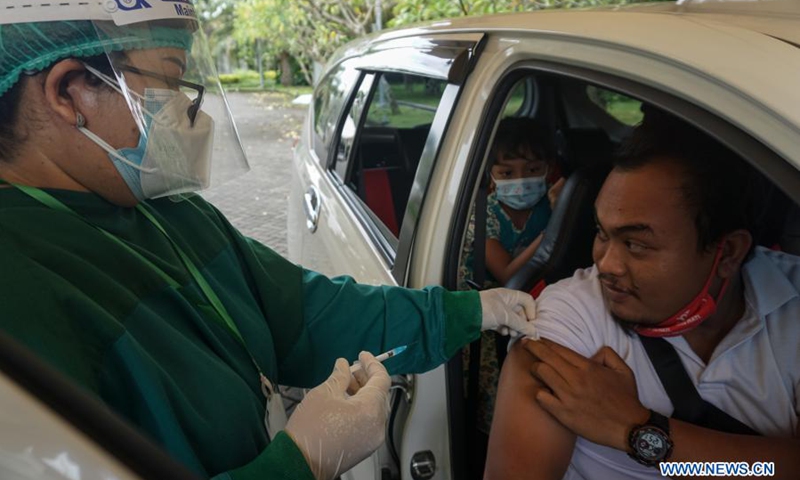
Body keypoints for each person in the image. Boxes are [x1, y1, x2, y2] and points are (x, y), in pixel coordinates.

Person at [0, 5, 538, 480]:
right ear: (70, 91)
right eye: (171, 83)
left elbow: (302, 312)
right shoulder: (20, 296)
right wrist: (299, 463)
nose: (193, 111)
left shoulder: (167, 212)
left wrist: (469, 310)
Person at [485, 115, 800, 479]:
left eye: (636, 244)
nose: (605, 264)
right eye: (602, 233)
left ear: (727, 252)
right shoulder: (569, 315)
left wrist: (636, 429)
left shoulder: (791, 301)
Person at [457, 117, 563, 469]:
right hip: (491, 315)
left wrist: (559, 209)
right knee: (493, 395)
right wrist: (554, 229)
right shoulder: (483, 213)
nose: (520, 181)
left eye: (532, 169)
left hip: (531, 309)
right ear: (491, 177)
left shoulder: (547, 206)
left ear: (548, 170)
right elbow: (506, 273)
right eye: (507, 173)